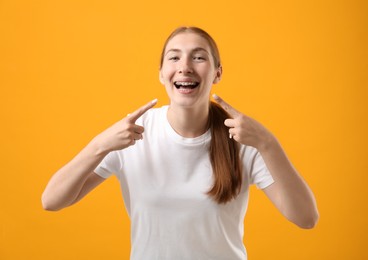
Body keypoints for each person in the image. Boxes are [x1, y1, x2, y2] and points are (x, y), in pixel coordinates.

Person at [42, 26, 319, 259]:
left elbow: (306, 218)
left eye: (198, 57)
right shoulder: (135, 133)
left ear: (217, 73)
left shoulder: (242, 137)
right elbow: (52, 200)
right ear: (161, 73)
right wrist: (99, 145)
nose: (185, 67)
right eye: (174, 58)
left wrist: (268, 143)